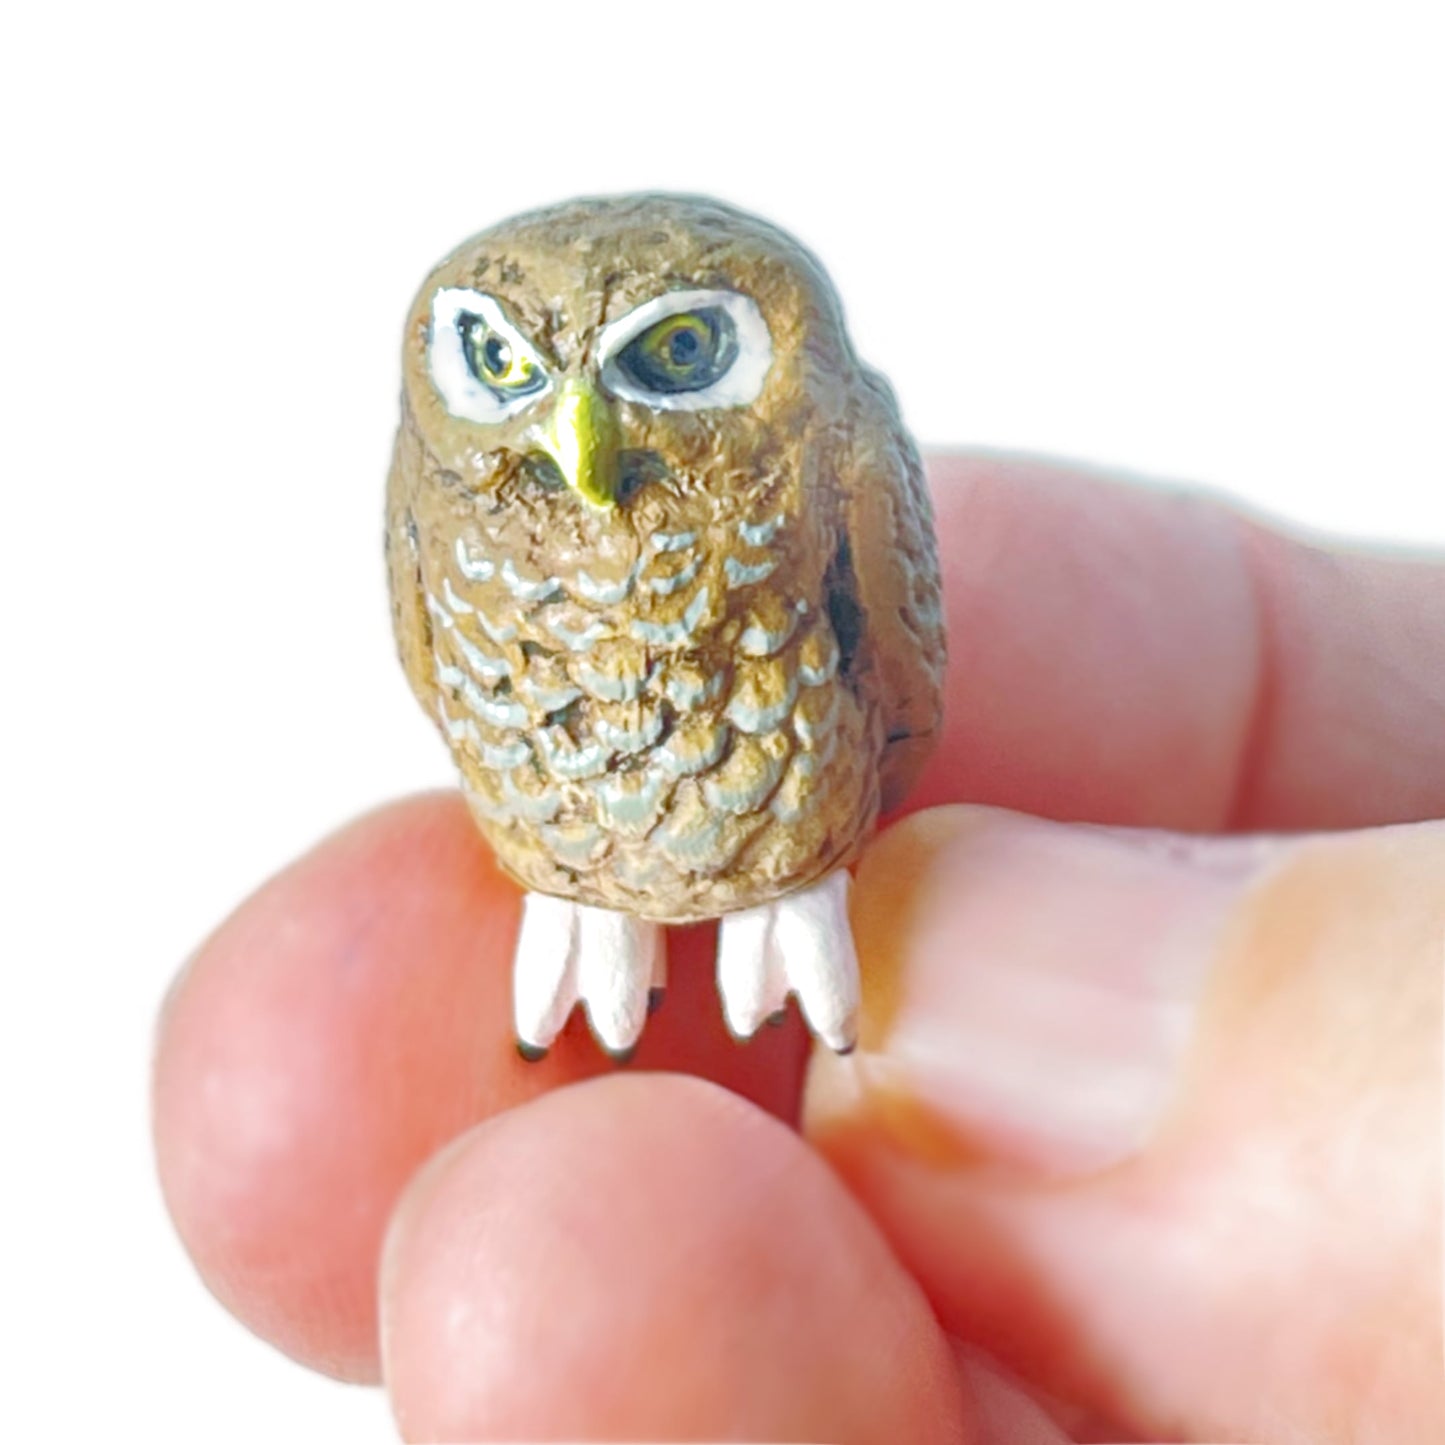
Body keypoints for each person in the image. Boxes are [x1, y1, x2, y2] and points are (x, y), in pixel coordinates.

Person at [152, 453, 1444, 1443]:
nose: (584, 434)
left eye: (670, 358)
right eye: (502, 366)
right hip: (572, 855)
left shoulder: (830, 471)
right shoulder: (442, 519)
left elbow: (895, 662)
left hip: (799, 820)